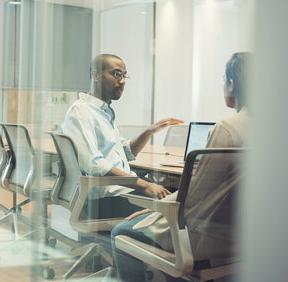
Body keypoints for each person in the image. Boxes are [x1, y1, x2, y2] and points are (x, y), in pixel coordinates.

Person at [110, 52, 251, 281]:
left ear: (232, 84)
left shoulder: (228, 128)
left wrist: (156, 208)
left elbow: (194, 197)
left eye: (224, 80)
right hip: (243, 233)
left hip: (205, 235)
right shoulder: (273, 127)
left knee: (119, 233)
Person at [61, 54, 183, 219]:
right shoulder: (81, 112)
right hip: (106, 201)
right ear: (96, 75)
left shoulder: (103, 112)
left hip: (119, 192)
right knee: (181, 201)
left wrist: (149, 132)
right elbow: (94, 164)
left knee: (178, 190)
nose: (123, 81)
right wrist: (144, 185)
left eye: (124, 75)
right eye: (117, 74)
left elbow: (125, 152)